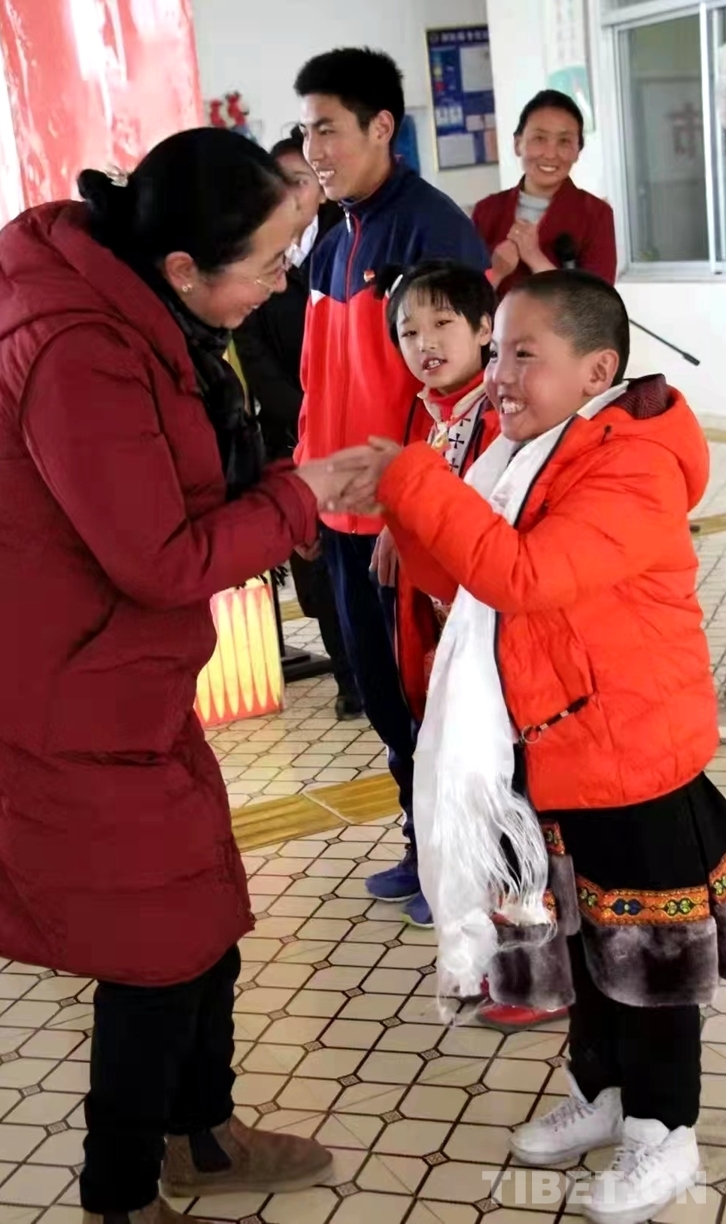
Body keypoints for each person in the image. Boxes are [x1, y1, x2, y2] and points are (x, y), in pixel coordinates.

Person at [0, 128, 374, 1224]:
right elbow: (158, 558)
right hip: (62, 699)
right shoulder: (77, 353)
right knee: (153, 951)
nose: (281, 283)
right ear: (185, 269)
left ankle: (204, 1137)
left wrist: (288, 487)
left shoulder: (142, 315)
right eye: (270, 264)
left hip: (127, 678)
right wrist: (301, 497)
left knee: (205, 915)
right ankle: (119, 1198)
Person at [342, 271, 720, 1224]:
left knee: (646, 956)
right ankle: (603, 1094)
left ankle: (665, 1132)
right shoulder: (527, 453)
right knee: (580, 945)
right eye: (498, 352)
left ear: (597, 368)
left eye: (524, 355)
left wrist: (415, 480)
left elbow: (524, 575)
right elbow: (461, 580)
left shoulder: (631, 462)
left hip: (629, 753)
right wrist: (408, 504)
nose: (499, 375)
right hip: (551, 751)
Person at [295, 46, 490, 926]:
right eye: (306, 131)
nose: (315, 149)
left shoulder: (431, 229)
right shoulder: (332, 239)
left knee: (433, 695)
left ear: (382, 126)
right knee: (380, 693)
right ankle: (422, 844)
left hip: (401, 522)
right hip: (342, 513)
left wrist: (408, 513)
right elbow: (317, 378)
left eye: (327, 129)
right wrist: (306, 491)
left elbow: (458, 393)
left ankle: (466, 863)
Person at [375, 259, 567, 1030]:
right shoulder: (436, 414)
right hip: (454, 640)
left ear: (484, 330)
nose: (424, 343)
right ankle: (503, 960)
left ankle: (537, 975)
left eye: (442, 324)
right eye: (407, 331)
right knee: (482, 804)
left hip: (499, 652)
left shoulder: (498, 419)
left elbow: (494, 541)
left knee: (514, 809)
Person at [234, 128, 361, 720]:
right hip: (291, 431)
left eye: (303, 180)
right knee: (315, 567)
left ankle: (372, 670)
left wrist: (332, 415)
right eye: (281, 181)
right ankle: (347, 673)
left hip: (350, 427)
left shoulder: (347, 241)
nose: (293, 192)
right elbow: (251, 349)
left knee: (358, 558)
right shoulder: (256, 248)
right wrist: (303, 415)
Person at [474, 90, 616, 297]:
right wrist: (495, 273)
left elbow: (599, 304)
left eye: (564, 141)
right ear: (517, 144)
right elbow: (462, 302)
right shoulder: (487, 212)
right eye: (539, 138)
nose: (550, 154)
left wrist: (535, 258)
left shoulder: (596, 214)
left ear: (578, 151)